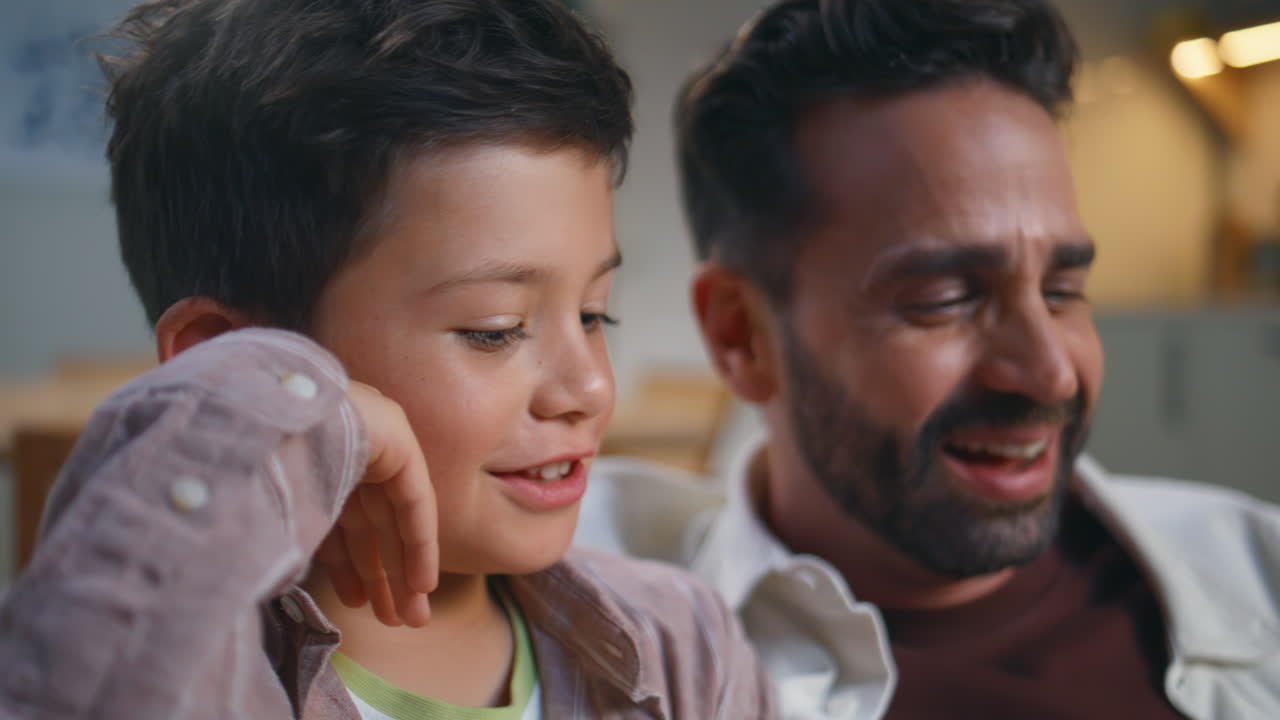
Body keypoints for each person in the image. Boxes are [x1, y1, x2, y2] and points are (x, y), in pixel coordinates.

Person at [0, 1, 773, 718]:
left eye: (594, 313)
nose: (590, 387)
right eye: (495, 330)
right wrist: (289, 410)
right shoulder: (187, 674)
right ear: (230, 356)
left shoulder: (686, 649)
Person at [577, 1, 1280, 718]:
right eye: (945, 300)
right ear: (741, 335)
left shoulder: (1259, 571)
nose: (1051, 372)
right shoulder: (608, 652)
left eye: (1063, 291)